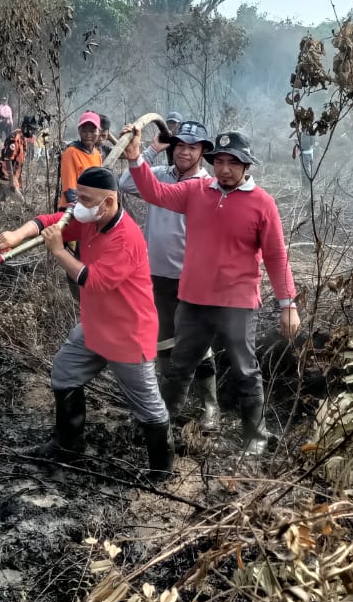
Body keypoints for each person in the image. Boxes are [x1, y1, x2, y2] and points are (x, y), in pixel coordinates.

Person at [121, 127, 301, 454]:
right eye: (219, 161)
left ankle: (255, 439)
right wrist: (135, 158)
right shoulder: (196, 191)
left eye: (234, 162)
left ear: (247, 166)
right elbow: (155, 193)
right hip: (193, 300)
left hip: (237, 303)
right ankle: (160, 425)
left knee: (245, 370)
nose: (225, 169)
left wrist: (288, 303)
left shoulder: (263, 204)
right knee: (178, 366)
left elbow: (276, 255)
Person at [0, 167, 172, 475]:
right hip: (95, 326)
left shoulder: (126, 237)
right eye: (79, 197)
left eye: (86, 199)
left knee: (149, 408)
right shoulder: (90, 219)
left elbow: (96, 281)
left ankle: (162, 469)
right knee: (64, 372)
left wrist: (60, 252)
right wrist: (16, 235)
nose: (78, 206)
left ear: (109, 202)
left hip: (128, 336)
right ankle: (68, 445)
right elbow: (50, 221)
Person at [118, 118, 220, 429]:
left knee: (195, 344)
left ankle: (208, 407)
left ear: (203, 151)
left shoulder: (206, 186)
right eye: (179, 146)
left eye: (192, 147)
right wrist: (149, 149)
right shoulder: (160, 175)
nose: (184, 152)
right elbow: (125, 183)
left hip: (190, 278)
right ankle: (168, 403)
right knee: (164, 340)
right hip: (156, 274)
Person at [0, 115, 35, 231]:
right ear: (25, 127)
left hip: (8, 175)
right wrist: (11, 180)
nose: (32, 132)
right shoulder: (14, 138)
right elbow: (8, 159)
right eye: (31, 129)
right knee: (21, 200)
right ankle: (23, 225)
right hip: (5, 174)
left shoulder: (23, 137)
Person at [58, 111, 104, 208]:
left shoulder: (97, 155)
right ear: (79, 131)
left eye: (92, 131)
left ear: (99, 132)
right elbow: (70, 191)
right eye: (84, 131)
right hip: (72, 210)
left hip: (91, 209)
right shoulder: (71, 153)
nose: (88, 135)